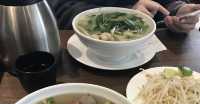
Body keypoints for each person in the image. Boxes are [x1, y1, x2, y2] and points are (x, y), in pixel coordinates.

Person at [47, 0, 200, 33]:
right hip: (86, 54)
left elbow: (166, 2)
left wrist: (179, 10)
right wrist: (126, 13)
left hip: (147, 52)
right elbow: (61, 9)